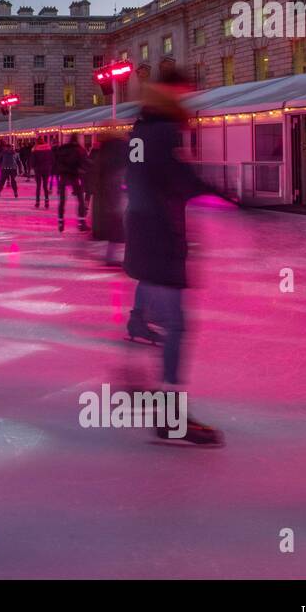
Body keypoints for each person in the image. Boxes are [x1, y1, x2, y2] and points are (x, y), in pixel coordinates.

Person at [123, 65, 228, 448]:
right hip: (160, 235)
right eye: (182, 92)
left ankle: (145, 389)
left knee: (165, 318)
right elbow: (177, 180)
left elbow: (142, 176)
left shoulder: (140, 128)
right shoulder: (164, 130)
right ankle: (167, 408)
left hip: (140, 230)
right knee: (177, 325)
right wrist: (227, 195)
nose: (187, 98)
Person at [87, 132, 129, 265]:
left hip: (107, 192)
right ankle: (121, 257)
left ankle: (111, 256)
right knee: (123, 223)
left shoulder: (103, 151)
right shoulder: (125, 148)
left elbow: (95, 172)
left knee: (117, 223)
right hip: (119, 189)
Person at [54, 133, 89, 232]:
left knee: (62, 201)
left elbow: (56, 162)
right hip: (74, 176)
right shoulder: (79, 149)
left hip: (63, 176)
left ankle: (61, 221)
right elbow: (84, 162)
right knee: (80, 200)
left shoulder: (62, 149)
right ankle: (81, 222)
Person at [31, 136, 54, 209]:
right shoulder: (48, 149)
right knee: (45, 186)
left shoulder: (35, 150)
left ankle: (37, 202)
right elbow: (52, 159)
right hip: (46, 169)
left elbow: (33, 161)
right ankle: (47, 201)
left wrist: (33, 166)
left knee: (38, 186)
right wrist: (49, 166)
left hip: (38, 169)